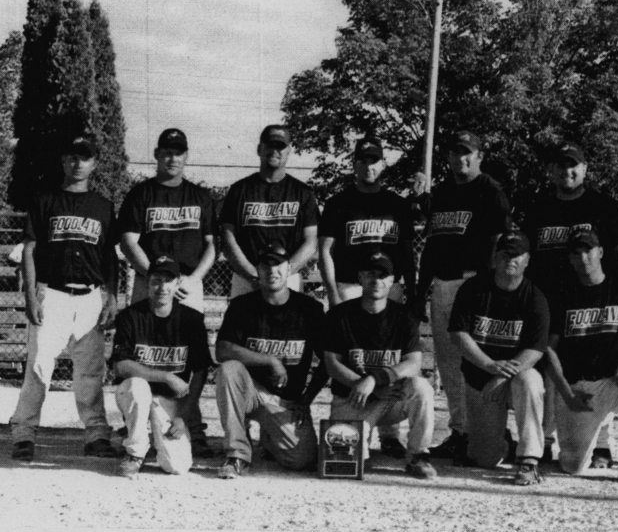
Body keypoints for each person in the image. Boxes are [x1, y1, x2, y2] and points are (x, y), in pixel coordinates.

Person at [521, 140, 618, 467]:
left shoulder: (604, 207)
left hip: (592, 302)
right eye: (561, 165)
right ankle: (543, 440)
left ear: (584, 169)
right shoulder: (539, 208)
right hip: (548, 304)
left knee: (600, 366)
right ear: (551, 171)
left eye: (574, 165)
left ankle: (601, 444)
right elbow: (525, 255)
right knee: (547, 369)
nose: (567, 171)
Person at [10, 134, 120, 461]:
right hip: (53, 293)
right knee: (39, 368)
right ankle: (23, 434)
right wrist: (31, 295)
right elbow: (30, 248)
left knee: (89, 371)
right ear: (63, 161)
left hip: (89, 298)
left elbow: (110, 257)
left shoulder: (103, 206)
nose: (77, 163)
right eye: (72, 156)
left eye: (84, 157)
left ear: (94, 163)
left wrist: (112, 295)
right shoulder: (45, 200)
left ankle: (96, 434)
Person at [118, 128, 217, 458]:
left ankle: (192, 422)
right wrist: (157, 278)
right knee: (142, 350)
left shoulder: (200, 197)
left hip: (188, 282)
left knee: (191, 357)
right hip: (151, 279)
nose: (172, 157)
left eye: (178, 152)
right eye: (166, 151)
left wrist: (191, 280)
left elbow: (211, 246)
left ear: (186, 156)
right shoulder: (141, 194)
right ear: (157, 154)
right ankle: (136, 424)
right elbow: (129, 241)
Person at [415, 130, 512, 460]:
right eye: (455, 152)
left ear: (479, 155)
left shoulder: (491, 191)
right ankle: (460, 431)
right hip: (443, 283)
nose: (461, 158)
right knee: (447, 362)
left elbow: (499, 244)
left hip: (475, 283)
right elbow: (432, 245)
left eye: (467, 152)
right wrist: (419, 290)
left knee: (475, 362)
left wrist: (488, 290)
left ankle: (491, 430)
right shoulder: (442, 192)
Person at [318, 136, 416, 458]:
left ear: (382, 163)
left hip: (389, 285)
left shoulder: (396, 204)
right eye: (363, 160)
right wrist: (333, 293)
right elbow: (325, 251)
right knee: (354, 357)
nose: (369, 165)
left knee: (388, 355)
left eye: (374, 160)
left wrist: (410, 291)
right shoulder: (339, 202)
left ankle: (389, 434)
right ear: (355, 163)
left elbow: (406, 252)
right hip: (350, 284)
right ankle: (355, 409)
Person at [546, 229, 618, 485]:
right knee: (573, 466)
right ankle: (598, 437)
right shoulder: (562, 293)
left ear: (600, 252)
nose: (583, 257)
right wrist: (566, 393)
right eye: (576, 252)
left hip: (614, 384)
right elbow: (549, 349)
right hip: (578, 389)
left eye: (588, 249)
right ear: (570, 259)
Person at [214, 243, 328, 479]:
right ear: (257, 269)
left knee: (301, 459)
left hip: (284, 400)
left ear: (289, 269)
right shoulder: (242, 305)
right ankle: (237, 453)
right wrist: (269, 360)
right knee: (229, 369)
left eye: (278, 265)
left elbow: (328, 361)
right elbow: (222, 350)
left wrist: (307, 400)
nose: (271, 270)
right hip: (250, 392)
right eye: (265, 265)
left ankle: (269, 437)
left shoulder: (309, 309)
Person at [326, 250, 437, 479]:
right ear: (360, 277)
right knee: (344, 465)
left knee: (420, 387)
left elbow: (414, 363)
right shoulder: (340, 315)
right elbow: (331, 364)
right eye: (370, 274)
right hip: (353, 398)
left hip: (390, 398)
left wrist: (374, 379)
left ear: (391, 281)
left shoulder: (404, 316)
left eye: (383, 275)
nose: (376, 280)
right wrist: (365, 385)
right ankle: (363, 445)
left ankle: (417, 455)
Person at [448, 230, 548, 485]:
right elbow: (458, 334)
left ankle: (530, 460)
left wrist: (501, 376)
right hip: (481, 378)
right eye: (505, 254)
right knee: (486, 459)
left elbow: (535, 350)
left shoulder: (535, 297)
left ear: (527, 260)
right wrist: (489, 366)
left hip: (513, 378)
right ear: (496, 257)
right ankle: (502, 441)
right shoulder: (473, 288)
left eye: (517, 255)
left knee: (530, 380)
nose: (510, 260)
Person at [110, 256, 213, 478]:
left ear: (177, 283)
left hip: (170, 402)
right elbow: (120, 366)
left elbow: (201, 370)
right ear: (148, 283)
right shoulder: (130, 316)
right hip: (138, 394)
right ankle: (135, 451)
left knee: (177, 466)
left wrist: (183, 415)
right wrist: (166, 376)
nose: (162, 287)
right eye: (156, 280)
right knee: (137, 386)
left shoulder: (191, 319)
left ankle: (153, 438)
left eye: (168, 280)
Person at [220, 125, 319, 298]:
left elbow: (310, 242)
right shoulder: (239, 190)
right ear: (260, 149)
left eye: (280, 146)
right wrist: (253, 275)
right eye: (270, 145)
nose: (274, 151)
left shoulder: (302, 192)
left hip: (288, 278)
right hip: (247, 279)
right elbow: (228, 240)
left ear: (289, 150)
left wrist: (282, 274)